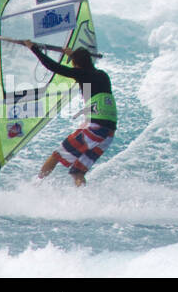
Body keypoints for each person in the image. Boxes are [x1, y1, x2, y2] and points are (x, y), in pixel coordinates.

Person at [24, 41, 117, 187]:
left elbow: (53, 67)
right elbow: (86, 82)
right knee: (77, 171)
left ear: (76, 64)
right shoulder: (102, 75)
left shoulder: (82, 75)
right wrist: (74, 56)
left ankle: (34, 187)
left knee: (56, 156)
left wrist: (33, 49)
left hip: (95, 128)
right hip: (108, 134)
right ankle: (82, 199)